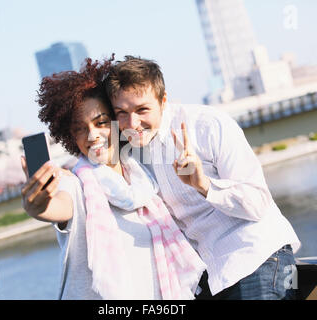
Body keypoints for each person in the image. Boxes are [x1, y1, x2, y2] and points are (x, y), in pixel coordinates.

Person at [103, 55, 301, 300]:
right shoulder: (128, 152)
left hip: (257, 258)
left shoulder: (207, 125)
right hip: (206, 279)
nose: (132, 123)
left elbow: (258, 202)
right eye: (121, 113)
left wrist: (203, 185)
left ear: (163, 101)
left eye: (142, 109)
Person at [19, 57, 206, 300]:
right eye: (80, 129)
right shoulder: (76, 185)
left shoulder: (144, 180)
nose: (93, 135)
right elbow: (59, 207)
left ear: (119, 122)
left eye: (101, 123)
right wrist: (39, 206)